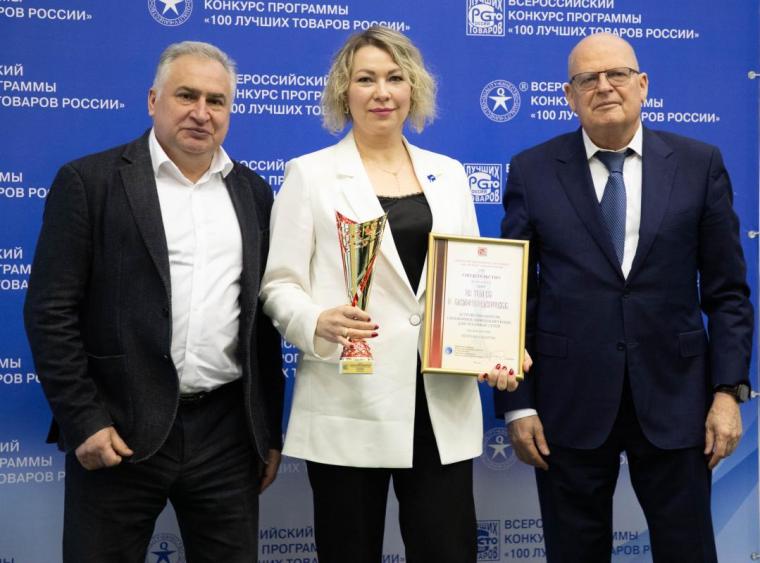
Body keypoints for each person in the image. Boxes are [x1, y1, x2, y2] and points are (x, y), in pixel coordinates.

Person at [492, 33, 754, 563]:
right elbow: (514, 294)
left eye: (617, 74)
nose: (604, 87)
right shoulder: (532, 170)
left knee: (688, 551)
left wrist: (728, 392)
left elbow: (728, 292)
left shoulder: (699, 163)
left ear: (643, 84)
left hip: (678, 400)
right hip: (568, 404)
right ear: (569, 95)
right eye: (587, 78)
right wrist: (518, 402)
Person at [23, 41, 284, 562]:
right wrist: (84, 419)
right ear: (152, 100)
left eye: (216, 101)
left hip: (227, 436)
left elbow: (260, 326)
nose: (201, 113)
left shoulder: (253, 193)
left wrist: (267, 432)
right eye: (186, 95)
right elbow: (50, 312)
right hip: (117, 430)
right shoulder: (89, 182)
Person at [260, 26, 493, 563]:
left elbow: (473, 283)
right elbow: (278, 284)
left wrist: (493, 347)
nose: (382, 92)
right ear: (344, 91)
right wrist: (315, 320)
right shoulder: (310, 175)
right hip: (350, 399)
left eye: (395, 78)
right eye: (366, 79)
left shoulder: (450, 175)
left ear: (414, 89)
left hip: (439, 404)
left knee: (448, 552)